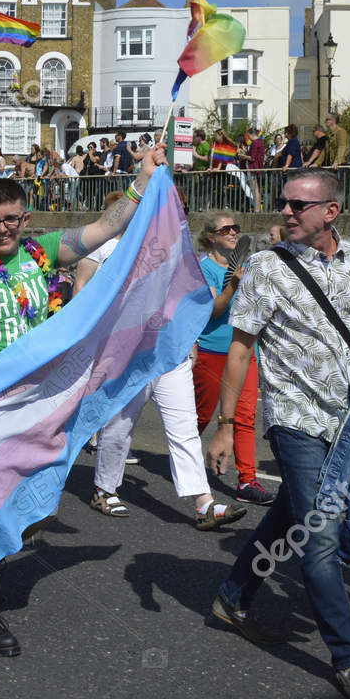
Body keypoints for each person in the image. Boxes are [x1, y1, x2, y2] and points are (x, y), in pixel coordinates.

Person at [0, 152, 170, 658]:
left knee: (39, 499)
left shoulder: (42, 254)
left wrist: (142, 181)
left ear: (25, 220)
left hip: (35, 404)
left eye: (11, 219)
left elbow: (105, 227)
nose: (2, 228)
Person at [206, 169, 350, 699]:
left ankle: (232, 595)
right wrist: (226, 426)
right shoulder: (267, 268)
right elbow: (241, 350)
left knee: (290, 512)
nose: (287, 212)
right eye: (284, 203)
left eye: (300, 205)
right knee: (318, 534)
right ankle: (349, 658)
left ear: (331, 212)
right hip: (295, 420)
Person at [76, 194, 247, 528]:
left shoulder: (177, 251)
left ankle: (204, 503)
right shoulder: (110, 248)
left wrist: (191, 338)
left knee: (184, 428)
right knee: (120, 425)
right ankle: (104, 488)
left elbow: (187, 300)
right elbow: (88, 295)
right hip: (127, 353)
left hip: (171, 351)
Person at [192, 211, 272, 504]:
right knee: (201, 415)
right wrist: (233, 285)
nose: (232, 232)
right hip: (213, 350)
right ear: (211, 236)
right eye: (225, 229)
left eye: (235, 228)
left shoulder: (249, 265)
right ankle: (185, 463)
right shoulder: (203, 268)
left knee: (245, 416)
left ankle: (247, 480)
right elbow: (212, 311)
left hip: (247, 350)